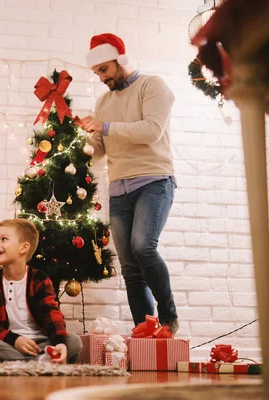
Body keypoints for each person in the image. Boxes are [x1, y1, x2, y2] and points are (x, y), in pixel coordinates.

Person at [81, 33, 179, 333]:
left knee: (143, 247)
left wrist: (105, 126)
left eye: (104, 70)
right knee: (129, 268)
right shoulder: (103, 101)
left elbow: (151, 130)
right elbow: (99, 150)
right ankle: (145, 332)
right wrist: (84, 138)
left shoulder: (152, 86)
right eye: (96, 72)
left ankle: (168, 316)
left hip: (154, 180)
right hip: (119, 188)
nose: (100, 78)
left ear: (119, 60)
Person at [0, 219, 82, 364]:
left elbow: (52, 314)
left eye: (3, 239)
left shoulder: (39, 279)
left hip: (38, 344)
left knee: (74, 341)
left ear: (23, 248)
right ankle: (38, 363)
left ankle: (10, 362)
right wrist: (15, 340)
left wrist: (60, 342)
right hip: (6, 343)